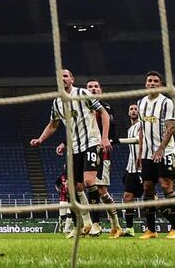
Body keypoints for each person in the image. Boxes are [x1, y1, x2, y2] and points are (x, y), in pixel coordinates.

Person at [30, 70, 115, 238]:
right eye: (60, 77)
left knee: (90, 180)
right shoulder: (57, 103)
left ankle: (97, 224)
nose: (63, 79)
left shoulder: (83, 93)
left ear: (72, 79)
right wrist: (40, 140)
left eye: (66, 76)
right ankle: (84, 224)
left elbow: (104, 113)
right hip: (74, 148)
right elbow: (53, 125)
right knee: (71, 187)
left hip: (91, 143)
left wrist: (104, 137)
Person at [57, 78, 121, 236]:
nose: (93, 89)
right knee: (79, 185)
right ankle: (88, 223)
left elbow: (111, 131)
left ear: (101, 89)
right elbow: (75, 128)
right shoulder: (80, 103)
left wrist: (105, 139)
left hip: (101, 151)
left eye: (96, 86)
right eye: (90, 86)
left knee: (101, 190)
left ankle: (115, 223)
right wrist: (65, 143)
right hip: (80, 150)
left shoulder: (104, 108)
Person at [137, 71, 175, 239]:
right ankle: (151, 230)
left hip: (166, 151)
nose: (153, 83)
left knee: (165, 185)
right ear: (146, 84)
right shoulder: (141, 103)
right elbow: (142, 130)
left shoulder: (166, 103)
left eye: (156, 81)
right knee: (147, 188)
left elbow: (171, 127)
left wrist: (161, 148)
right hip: (147, 154)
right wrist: (140, 153)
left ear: (161, 84)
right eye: (150, 80)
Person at [117, 103, 143, 236]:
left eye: (135, 109)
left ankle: (174, 221)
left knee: (151, 197)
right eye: (131, 109)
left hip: (141, 168)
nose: (133, 111)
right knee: (127, 198)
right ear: (128, 113)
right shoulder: (130, 129)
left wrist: (139, 159)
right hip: (131, 168)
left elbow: (140, 143)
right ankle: (130, 229)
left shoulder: (141, 125)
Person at [55, 167, 73, 234]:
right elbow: (56, 184)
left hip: (71, 199)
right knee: (63, 216)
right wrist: (59, 191)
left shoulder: (74, 176)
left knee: (70, 214)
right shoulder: (62, 176)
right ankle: (60, 226)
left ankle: (66, 230)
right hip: (63, 199)